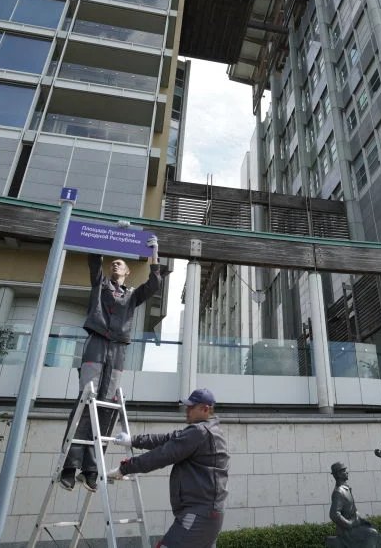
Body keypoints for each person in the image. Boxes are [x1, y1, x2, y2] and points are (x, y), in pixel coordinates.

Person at [60, 235, 161, 492]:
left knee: (107, 407)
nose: (116, 265)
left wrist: (154, 252)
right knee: (87, 401)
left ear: (128, 272)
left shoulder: (132, 295)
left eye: (120, 263)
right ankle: (70, 467)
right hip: (96, 344)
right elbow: (94, 260)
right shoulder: (101, 284)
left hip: (117, 350)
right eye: (113, 262)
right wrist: (103, 234)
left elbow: (154, 283)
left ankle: (91, 469)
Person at [114, 388, 229, 548]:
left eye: (191, 407)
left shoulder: (199, 432)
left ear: (205, 409)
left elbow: (163, 455)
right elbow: (169, 440)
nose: (186, 410)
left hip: (199, 514)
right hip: (206, 513)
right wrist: (133, 441)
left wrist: (125, 468)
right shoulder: (207, 431)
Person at [329, 462, 379, 548]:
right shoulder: (339, 492)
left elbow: (354, 510)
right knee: (372, 534)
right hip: (346, 531)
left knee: (372, 529)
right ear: (338, 474)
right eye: (344, 471)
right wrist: (349, 524)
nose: (347, 472)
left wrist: (362, 520)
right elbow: (334, 514)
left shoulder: (346, 489)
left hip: (354, 526)